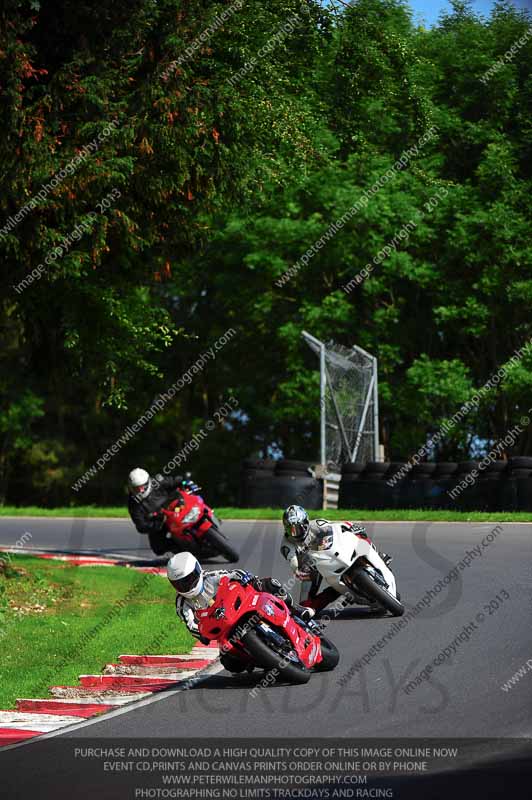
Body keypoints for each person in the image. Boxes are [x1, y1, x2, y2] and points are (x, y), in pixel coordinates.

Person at [167, 551, 315, 673]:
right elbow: (190, 623)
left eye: (189, 579)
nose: (186, 586)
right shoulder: (182, 603)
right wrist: (200, 634)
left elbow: (232, 573)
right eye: (180, 583)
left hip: (238, 606)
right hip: (223, 628)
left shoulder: (210, 578)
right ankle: (260, 659)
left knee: (270, 584)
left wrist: (247, 578)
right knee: (230, 663)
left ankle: (296, 609)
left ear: (198, 570)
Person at [280, 504, 393, 611]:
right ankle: (335, 595)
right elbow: (292, 559)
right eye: (291, 530)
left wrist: (352, 527)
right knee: (305, 605)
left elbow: (336, 526)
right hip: (310, 570)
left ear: (305, 523)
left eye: (297, 528)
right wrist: (296, 569)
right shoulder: (286, 544)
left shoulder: (317, 524)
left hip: (328, 555)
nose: (294, 533)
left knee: (359, 537)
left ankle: (377, 555)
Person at [127, 467, 200, 555]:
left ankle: (207, 517)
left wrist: (187, 483)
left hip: (176, 505)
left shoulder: (157, 481)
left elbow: (176, 480)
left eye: (142, 486)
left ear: (148, 482)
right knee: (158, 549)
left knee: (194, 498)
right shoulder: (133, 503)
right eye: (136, 488)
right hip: (161, 520)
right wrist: (157, 523)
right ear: (131, 487)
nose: (140, 490)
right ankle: (183, 550)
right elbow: (141, 526)